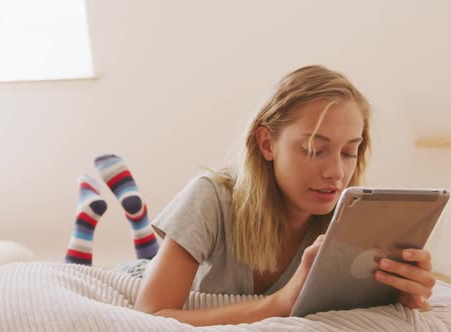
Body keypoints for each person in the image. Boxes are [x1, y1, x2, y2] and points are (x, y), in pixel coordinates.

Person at [64, 65, 436, 327]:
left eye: (349, 151)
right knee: (82, 265)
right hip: (147, 272)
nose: (336, 173)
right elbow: (151, 316)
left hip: (184, 258)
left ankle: (142, 228)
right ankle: (112, 224)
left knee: (151, 250)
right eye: (312, 148)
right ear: (267, 143)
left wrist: (397, 293)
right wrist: (278, 304)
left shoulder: (348, 220)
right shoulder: (211, 197)